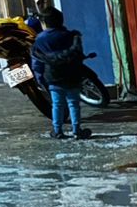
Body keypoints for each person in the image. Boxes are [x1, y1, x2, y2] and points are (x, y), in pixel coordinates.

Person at [29, 7, 92, 140]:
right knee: (74, 103)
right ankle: (77, 130)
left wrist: (40, 79)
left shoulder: (40, 39)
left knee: (57, 105)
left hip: (53, 77)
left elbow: (37, 63)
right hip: (72, 75)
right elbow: (78, 56)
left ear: (44, 23)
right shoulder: (71, 36)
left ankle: (57, 130)